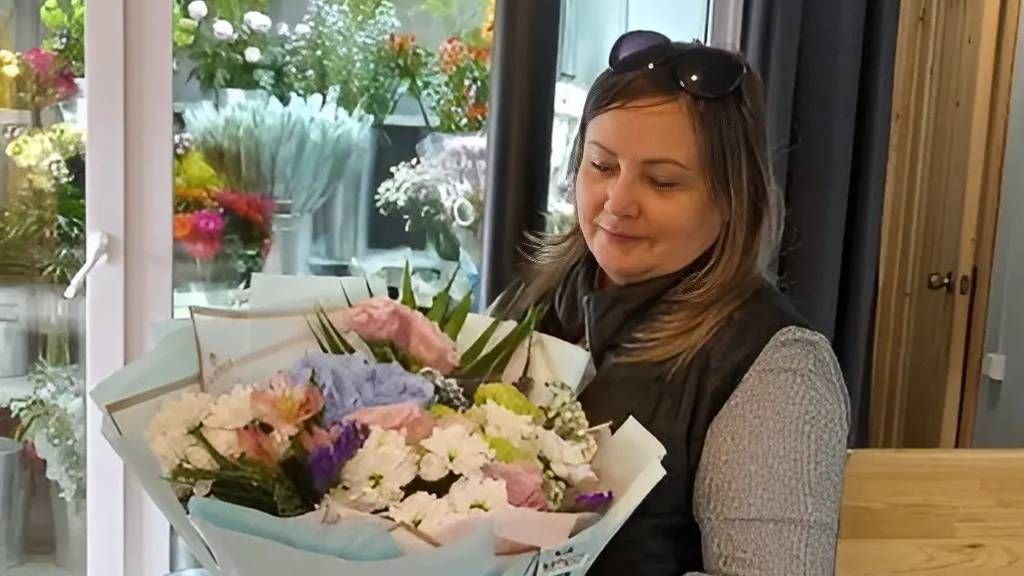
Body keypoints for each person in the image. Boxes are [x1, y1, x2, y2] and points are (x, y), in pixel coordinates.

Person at [492, 31, 850, 575]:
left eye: (661, 182)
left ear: (732, 199)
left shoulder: (777, 367)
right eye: (602, 166)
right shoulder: (534, 299)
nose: (618, 202)